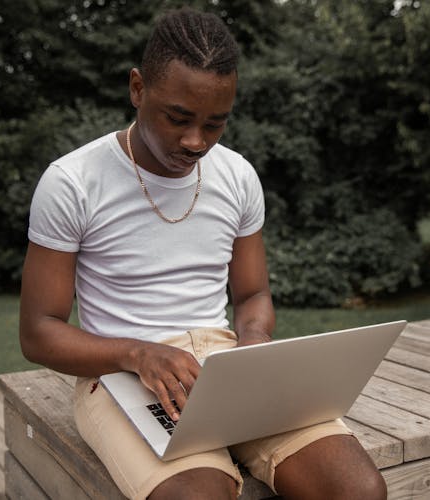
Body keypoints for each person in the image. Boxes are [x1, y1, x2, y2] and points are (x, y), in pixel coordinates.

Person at [19, 7, 387, 500]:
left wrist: (255, 339)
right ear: (137, 89)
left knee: (359, 490)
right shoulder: (72, 183)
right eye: (178, 118)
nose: (195, 141)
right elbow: (38, 333)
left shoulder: (236, 176)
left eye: (216, 124)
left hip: (227, 368)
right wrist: (138, 353)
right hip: (120, 375)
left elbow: (253, 294)